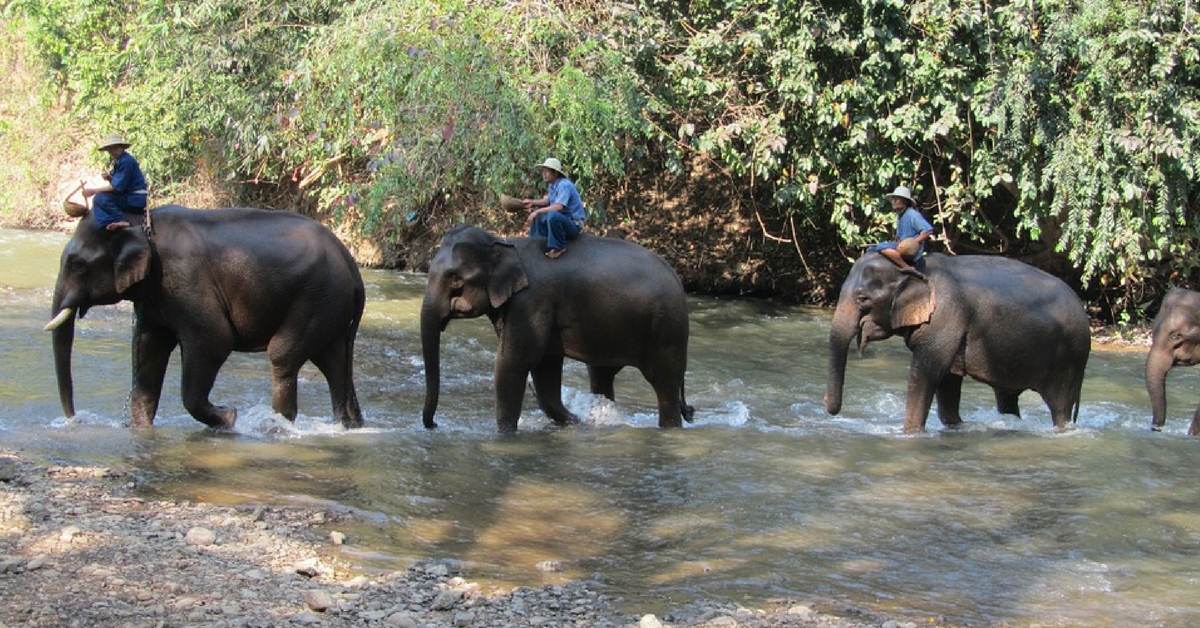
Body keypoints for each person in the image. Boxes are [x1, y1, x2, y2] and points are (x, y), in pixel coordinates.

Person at [82, 133, 148, 231]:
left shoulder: (126, 161)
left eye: (116, 148)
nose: (113, 151)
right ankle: (106, 224)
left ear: (122, 147)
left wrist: (94, 190)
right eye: (111, 149)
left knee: (100, 198)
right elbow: (119, 183)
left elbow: (116, 187)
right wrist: (109, 178)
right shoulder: (120, 161)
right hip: (129, 195)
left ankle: (120, 220)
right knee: (100, 198)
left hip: (135, 198)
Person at [522, 157, 586, 259]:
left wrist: (537, 212)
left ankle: (559, 247)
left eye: (547, 171)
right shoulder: (553, 186)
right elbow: (548, 201)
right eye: (543, 171)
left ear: (555, 173)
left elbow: (559, 206)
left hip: (573, 223)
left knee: (552, 215)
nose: (544, 174)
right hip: (563, 221)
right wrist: (532, 202)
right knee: (539, 212)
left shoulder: (564, 185)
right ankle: (536, 242)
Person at [867, 185, 933, 278]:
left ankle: (906, 267)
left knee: (882, 247)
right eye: (893, 199)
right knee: (871, 249)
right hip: (900, 246)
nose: (894, 201)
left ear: (905, 201)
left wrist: (913, 242)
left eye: (897, 199)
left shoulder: (912, 215)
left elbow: (928, 230)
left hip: (910, 251)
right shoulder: (901, 216)